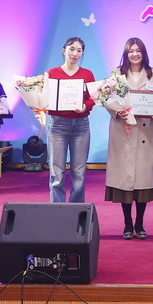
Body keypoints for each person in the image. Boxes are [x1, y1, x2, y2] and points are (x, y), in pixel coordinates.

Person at [105, 37, 153, 240]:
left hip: (146, 131)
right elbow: (107, 98)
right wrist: (117, 111)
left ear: (143, 53)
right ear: (126, 53)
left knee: (143, 178)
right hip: (123, 130)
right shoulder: (116, 73)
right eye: (131, 51)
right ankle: (127, 223)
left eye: (138, 50)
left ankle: (140, 223)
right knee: (124, 178)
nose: (135, 54)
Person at [45, 37, 95, 203]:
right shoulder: (52, 74)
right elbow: (45, 99)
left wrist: (85, 106)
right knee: (57, 173)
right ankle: (57, 211)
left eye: (79, 50)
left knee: (79, 173)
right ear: (64, 50)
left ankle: (76, 211)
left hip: (81, 126)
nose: (75, 53)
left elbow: (93, 97)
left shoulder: (87, 74)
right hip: (58, 126)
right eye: (71, 49)